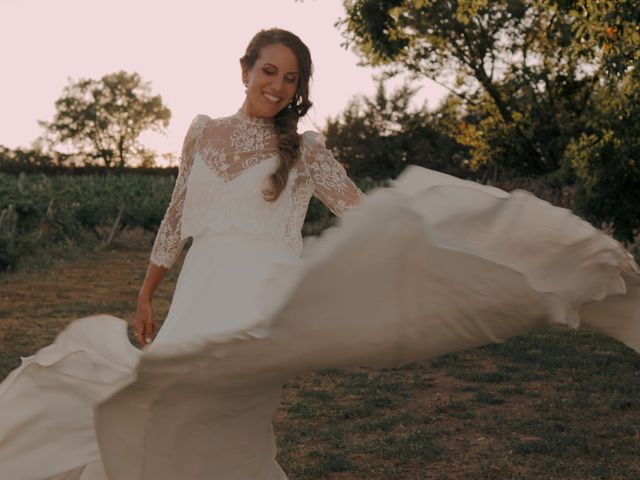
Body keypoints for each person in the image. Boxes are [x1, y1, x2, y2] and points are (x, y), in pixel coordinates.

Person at [0, 27, 639, 480]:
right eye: (268, 71)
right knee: (162, 405)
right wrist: (146, 294)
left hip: (257, 299)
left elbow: (360, 212)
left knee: (215, 413)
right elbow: (175, 217)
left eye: (291, 77)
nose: (278, 85)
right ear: (244, 69)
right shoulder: (200, 132)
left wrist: (423, 240)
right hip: (198, 288)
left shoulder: (304, 149)